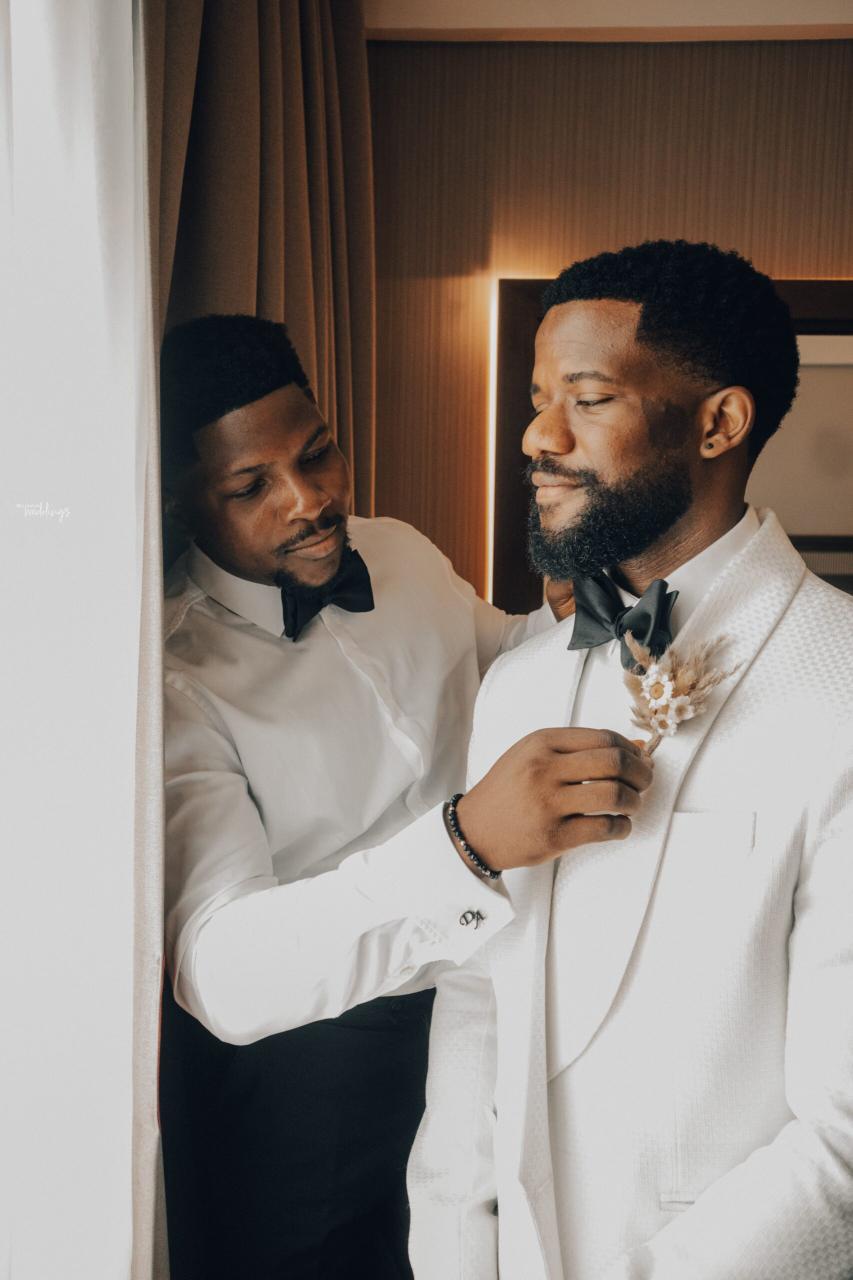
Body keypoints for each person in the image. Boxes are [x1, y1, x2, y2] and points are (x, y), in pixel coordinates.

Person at [158, 315, 647, 1280]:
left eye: (317, 454)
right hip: (316, 1069)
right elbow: (219, 972)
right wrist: (465, 846)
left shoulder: (400, 550)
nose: (309, 500)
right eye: (251, 486)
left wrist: (566, 619)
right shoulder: (175, 677)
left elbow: (490, 654)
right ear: (182, 503)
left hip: (490, 991)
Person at [408, 240, 853, 1279]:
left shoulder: (841, 685)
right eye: (537, 399)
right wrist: (453, 1251)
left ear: (717, 422)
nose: (536, 434)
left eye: (588, 397)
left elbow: (843, 1136)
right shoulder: (518, 682)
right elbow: (475, 1003)